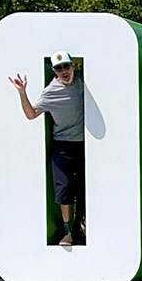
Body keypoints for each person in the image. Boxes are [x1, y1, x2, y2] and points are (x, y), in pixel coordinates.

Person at [9, 51, 86, 247]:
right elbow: (31, 114)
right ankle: (67, 232)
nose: (64, 71)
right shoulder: (50, 92)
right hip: (63, 145)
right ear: (54, 71)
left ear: (73, 66)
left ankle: (81, 227)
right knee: (65, 188)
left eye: (67, 66)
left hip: (86, 144)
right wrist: (22, 93)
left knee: (85, 189)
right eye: (59, 68)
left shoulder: (83, 84)